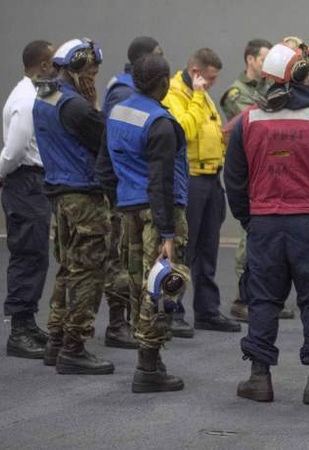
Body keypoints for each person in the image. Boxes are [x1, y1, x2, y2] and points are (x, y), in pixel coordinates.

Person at [224, 42, 309, 405]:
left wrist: (248, 219)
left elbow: (234, 180)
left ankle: (258, 377)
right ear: (301, 74)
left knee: (263, 300)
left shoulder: (248, 120)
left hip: (265, 225)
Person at [101, 53, 190, 392]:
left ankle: (148, 356)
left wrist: (120, 202)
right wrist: (167, 232)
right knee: (163, 285)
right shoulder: (160, 123)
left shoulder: (117, 111)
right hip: (158, 212)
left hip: (128, 209)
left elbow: (104, 167)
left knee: (141, 281)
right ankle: (149, 369)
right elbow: (161, 182)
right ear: (165, 82)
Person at [33, 38, 114, 375]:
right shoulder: (78, 107)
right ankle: (74, 347)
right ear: (79, 69)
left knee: (68, 268)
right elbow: (106, 141)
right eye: (91, 72)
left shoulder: (45, 97)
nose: (94, 78)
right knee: (90, 272)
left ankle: (56, 340)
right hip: (84, 195)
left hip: (59, 194)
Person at [0, 40, 56, 359]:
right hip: (25, 182)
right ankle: (19, 331)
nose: (59, 67)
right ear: (41, 66)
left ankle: (28, 321)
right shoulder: (26, 99)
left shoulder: (41, 92)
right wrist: (0, 172)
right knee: (27, 253)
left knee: (36, 253)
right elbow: (15, 147)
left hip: (32, 182)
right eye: (54, 62)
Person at [162, 48, 240, 336]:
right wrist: (197, 94)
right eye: (209, 79)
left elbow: (206, 130)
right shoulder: (174, 93)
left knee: (208, 249)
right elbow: (183, 131)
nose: (211, 84)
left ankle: (207, 310)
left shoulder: (202, 94)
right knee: (183, 249)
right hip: (190, 180)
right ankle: (173, 311)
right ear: (196, 72)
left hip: (211, 179)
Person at [221, 38, 296, 323]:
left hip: (269, 169)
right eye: (263, 58)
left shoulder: (269, 90)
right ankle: (243, 298)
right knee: (248, 237)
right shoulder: (235, 93)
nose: (267, 63)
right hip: (249, 170)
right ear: (250, 60)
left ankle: (266, 296)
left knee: (271, 239)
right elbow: (253, 120)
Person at [100, 36, 165, 350]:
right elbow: (112, 149)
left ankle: (128, 324)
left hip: (127, 194)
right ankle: (118, 324)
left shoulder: (124, 92)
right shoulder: (127, 96)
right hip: (130, 195)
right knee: (125, 265)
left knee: (131, 265)